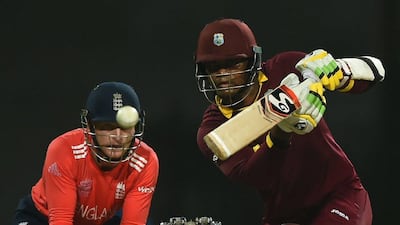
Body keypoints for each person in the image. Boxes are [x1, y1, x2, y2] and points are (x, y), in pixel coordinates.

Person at [193, 18, 385, 225]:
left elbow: (377, 71)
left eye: (232, 63)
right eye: (213, 66)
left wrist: (339, 70)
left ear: (253, 60)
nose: (222, 74)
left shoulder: (287, 67)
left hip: (339, 195)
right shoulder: (212, 129)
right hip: (283, 213)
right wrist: (281, 130)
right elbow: (256, 176)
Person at [13, 81, 159, 225]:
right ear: (89, 126)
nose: (118, 137)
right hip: (42, 217)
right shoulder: (65, 149)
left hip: (103, 220)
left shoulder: (146, 160)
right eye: (107, 127)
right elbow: (61, 221)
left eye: (125, 127)